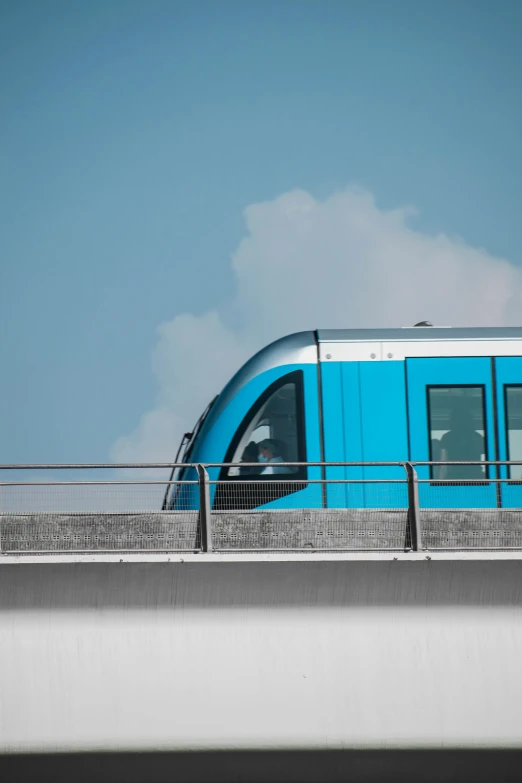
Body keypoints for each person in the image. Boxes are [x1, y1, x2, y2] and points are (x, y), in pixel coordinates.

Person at [439, 407, 485, 480]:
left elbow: (443, 463)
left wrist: (440, 481)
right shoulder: (477, 437)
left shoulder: (447, 437)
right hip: (475, 477)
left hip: (454, 478)